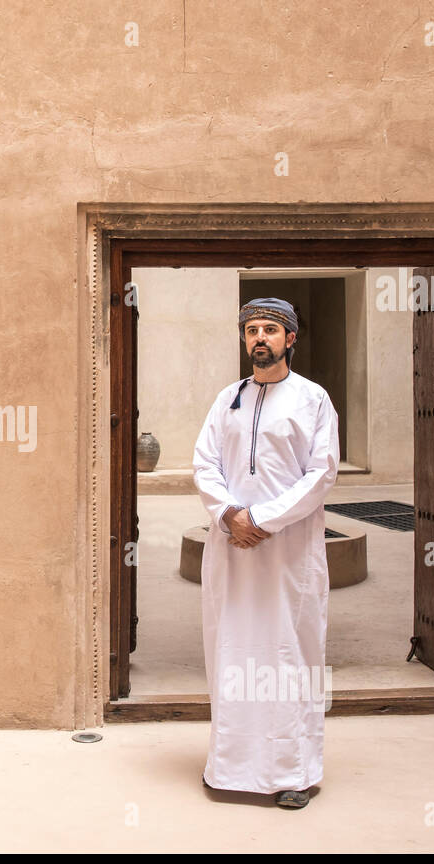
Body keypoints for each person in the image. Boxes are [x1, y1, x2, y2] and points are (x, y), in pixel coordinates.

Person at [191, 297, 340, 809]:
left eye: (271, 330)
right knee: (231, 649)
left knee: (288, 655)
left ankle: (292, 773)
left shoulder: (313, 399)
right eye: (252, 329)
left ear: (290, 339)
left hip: (288, 550)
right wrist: (231, 514)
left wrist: (263, 519)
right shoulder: (226, 398)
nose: (260, 338)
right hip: (231, 547)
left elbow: (321, 474)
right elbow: (204, 463)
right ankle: (229, 768)